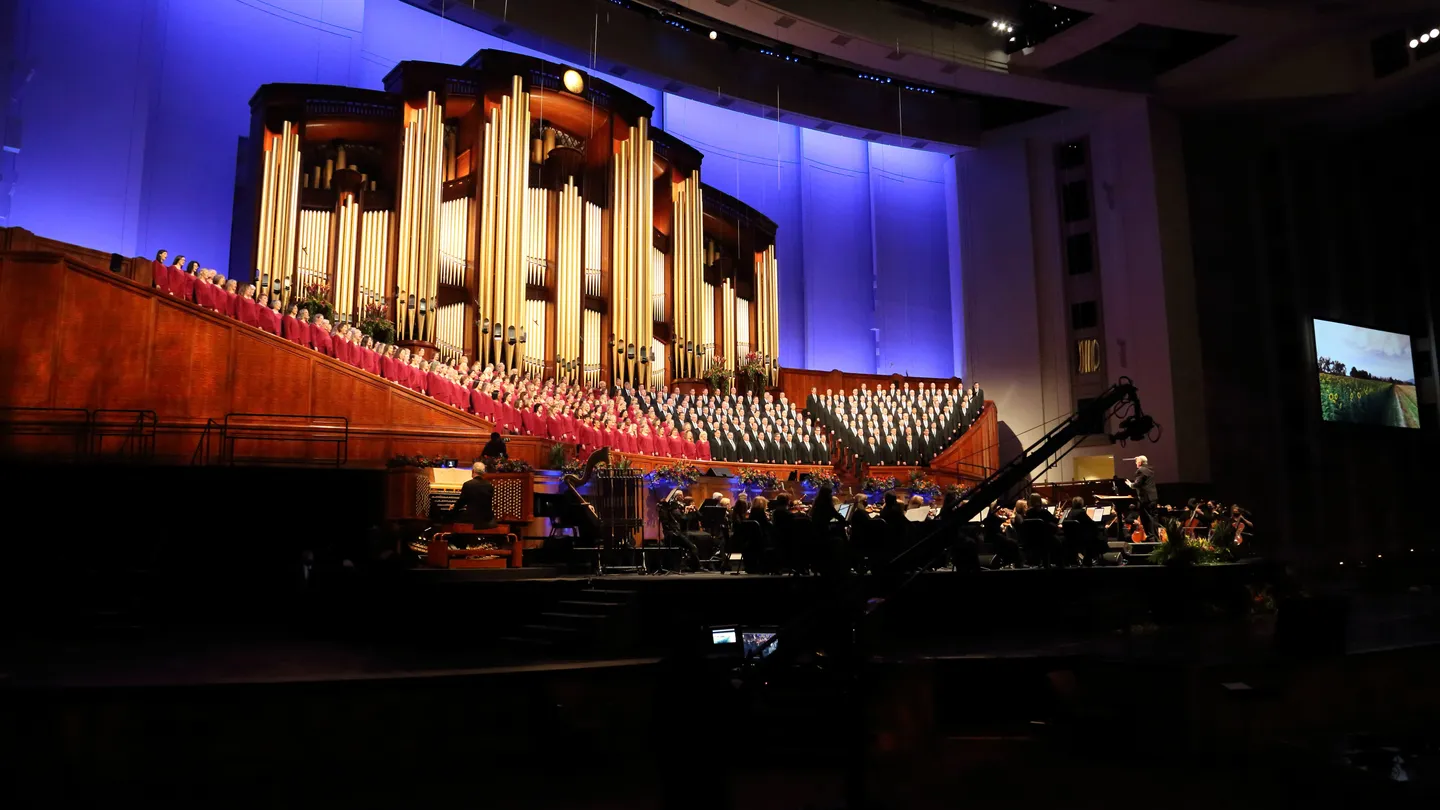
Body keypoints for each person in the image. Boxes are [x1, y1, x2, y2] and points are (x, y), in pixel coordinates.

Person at [447, 461, 496, 529]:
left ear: (473, 471)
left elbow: (462, 502)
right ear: (483, 473)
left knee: (450, 515)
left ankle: (452, 536)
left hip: (472, 519)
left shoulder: (468, 484)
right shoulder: (489, 485)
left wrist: (454, 507)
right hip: (487, 519)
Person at [1127, 455, 1159, 540]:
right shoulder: (1150, 470)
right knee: (1153, 519)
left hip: (1146, 499)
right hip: (1153, 498)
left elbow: (1137, 484)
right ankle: (1156, 539)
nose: (1135, 463)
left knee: (1146, 519)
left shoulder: (1140, 470)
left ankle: (1151, 539)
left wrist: (1130, 484)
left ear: (1140, 462)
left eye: (1136, 461)